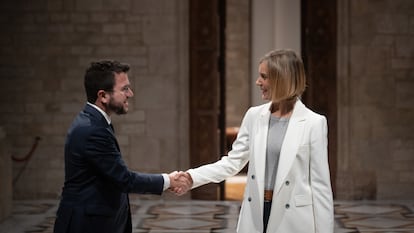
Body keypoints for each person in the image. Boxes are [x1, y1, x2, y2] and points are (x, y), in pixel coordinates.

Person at [173, 49, 334, 233]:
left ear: (281, 79)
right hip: (256, 213)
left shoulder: (314, 123)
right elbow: (232, 163)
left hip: (293, 220)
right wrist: (191, 177)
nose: (258, 82)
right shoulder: (254, 116)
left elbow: (321, 187)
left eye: (263, 77)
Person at [53, 60, 188, 233]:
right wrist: (168, 180)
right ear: (103, 95)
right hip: (87, 224)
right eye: (124, 89)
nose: (130, 94)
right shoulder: (93, 130)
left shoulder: (96, 122)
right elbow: (124, 179)